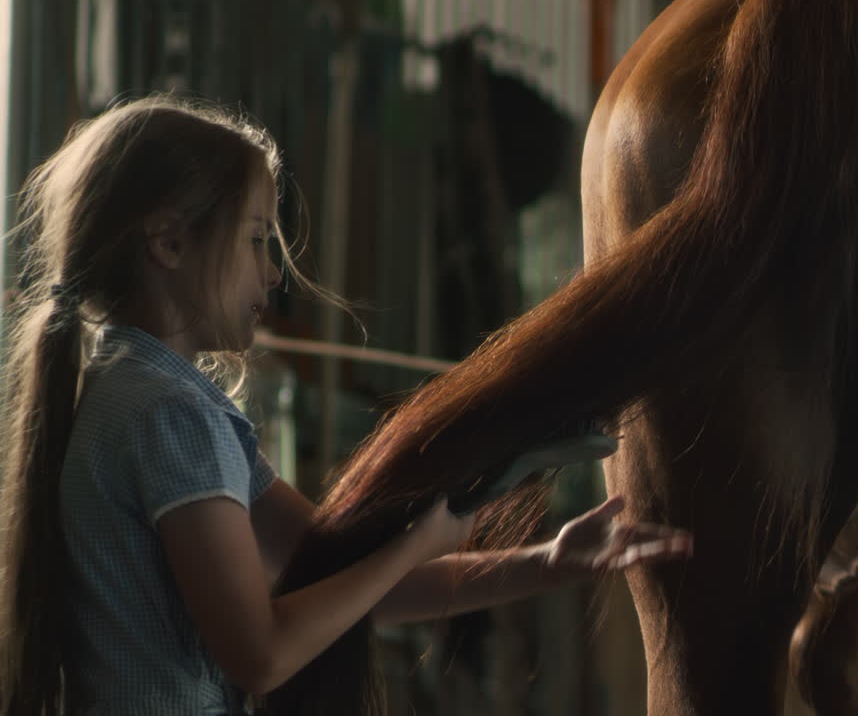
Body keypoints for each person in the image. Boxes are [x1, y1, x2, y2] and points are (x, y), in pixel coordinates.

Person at [0, 95, 693, 716]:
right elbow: (263, 655)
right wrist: (416, 544)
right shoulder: (170, 414)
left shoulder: (125, 388)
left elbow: (343, 582)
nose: (272, 271)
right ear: (171, 242)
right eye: (256, 240)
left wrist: (544, 562)